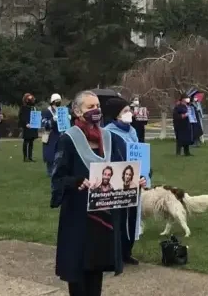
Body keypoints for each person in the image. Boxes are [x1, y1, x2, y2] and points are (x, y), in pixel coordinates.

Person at [51, 90, 146, 296]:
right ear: (77, 111)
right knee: (78, 274)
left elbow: (122, 173)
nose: (95, 111)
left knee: (96, 272)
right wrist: (76, 182)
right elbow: (57, 178)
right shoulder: (68, 140)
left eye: (97, 107)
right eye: (90, 107)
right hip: (78, 218)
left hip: (103, 218)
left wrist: (135, 182)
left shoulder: (111, 139)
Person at [102, 97, 142, 266]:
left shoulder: (132, 131)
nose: (129, 113)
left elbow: (140, 153)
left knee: (132, 218)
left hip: (135, 181)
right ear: (116, 115)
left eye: (129, 110)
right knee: (117, 218)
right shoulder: (108, 133)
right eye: (125, 111)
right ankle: (114, 253)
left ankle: (127, 251)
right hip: (119, 181)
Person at [42, 93, 64, 177]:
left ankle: (58, 170)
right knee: (50, 154)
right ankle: (50, 171)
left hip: (59, 135)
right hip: (49, 135)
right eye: (56, 101)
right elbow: (44, 124)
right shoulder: (47, 111)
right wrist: (52, 120)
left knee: (60, 154)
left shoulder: (61, 110)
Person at [18, 93, 39, 162]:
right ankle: (25, 157)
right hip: (27, 126)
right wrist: (25, 123)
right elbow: (21, 117)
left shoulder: (34, 107)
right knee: (26, 141)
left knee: (31, 142)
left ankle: (30, 157)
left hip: (33, 126)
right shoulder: (23, 107)